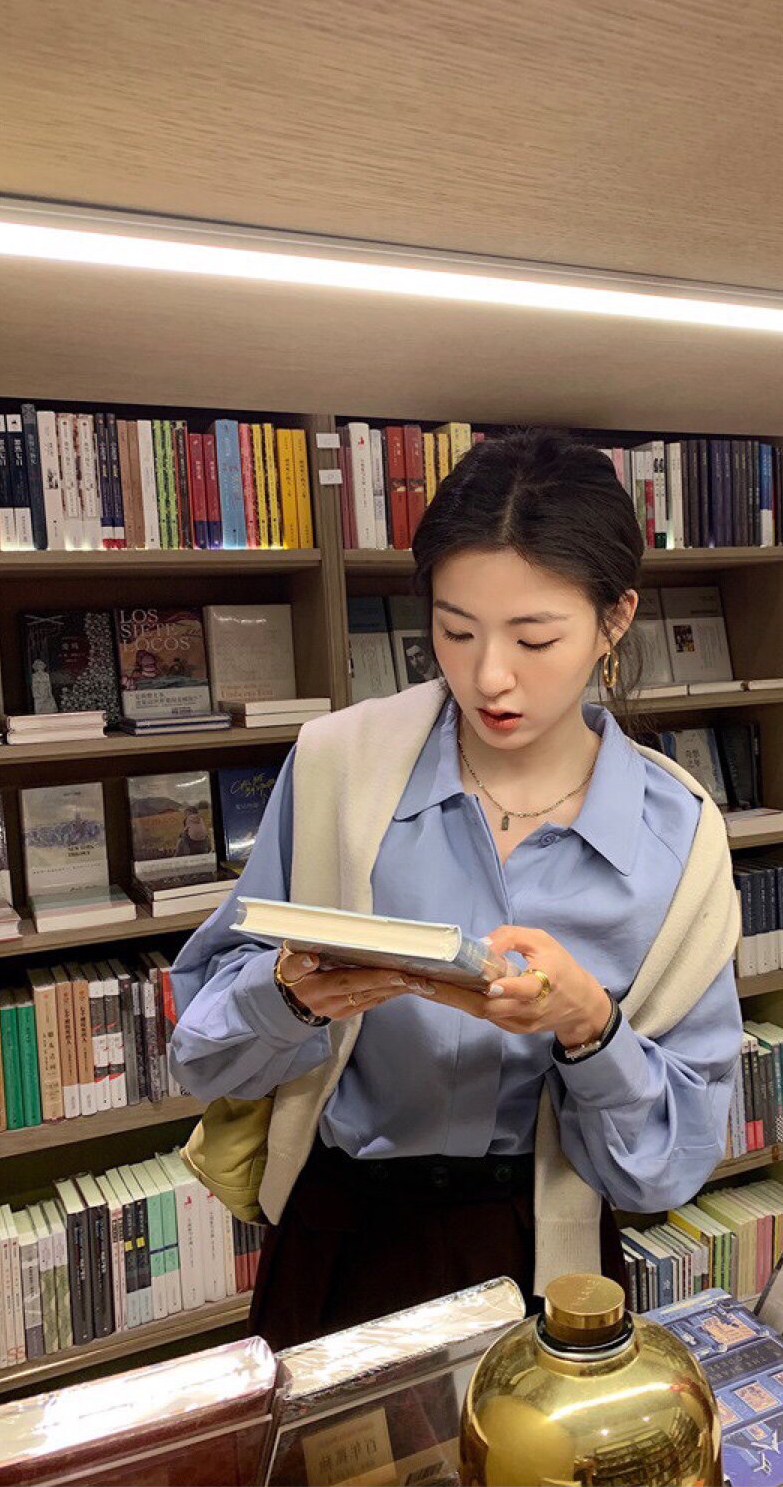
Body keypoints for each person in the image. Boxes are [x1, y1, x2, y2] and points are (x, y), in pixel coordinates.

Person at [169, 428, 743, 1354]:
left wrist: (590, 1027)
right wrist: (285, 996)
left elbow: (664, 1168)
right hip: (338, 1231)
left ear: (615, 618)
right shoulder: (338, 767)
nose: (488, 676)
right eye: (454, 630)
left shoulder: (677, 835)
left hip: (544, 1249)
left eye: (534, 637)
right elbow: (199, 1056)